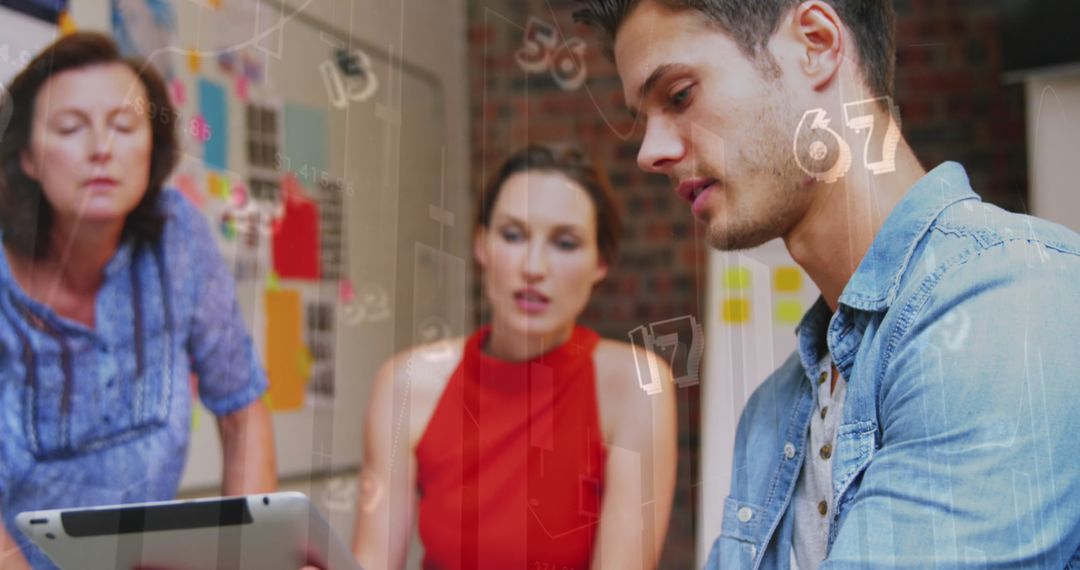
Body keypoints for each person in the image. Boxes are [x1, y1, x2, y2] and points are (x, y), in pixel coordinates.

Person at [573, 0, 1080, 568]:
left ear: (815, 43)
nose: (650, 152)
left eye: (680, 95)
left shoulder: (1009, 302)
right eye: (644, 118)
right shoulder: (773, 411)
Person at [0, 33, 277, 569]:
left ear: (153, 149)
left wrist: (248, 557)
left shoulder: (179, 236)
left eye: (125, 126)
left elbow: (241, 410)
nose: (101, 148)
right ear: (28, 157)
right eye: (70, 128)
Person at [351, 144, 678, 569]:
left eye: (565, 243)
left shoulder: (637, 385)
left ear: (600, 262)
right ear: (481, 244)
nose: (533, 267)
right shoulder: (407, 383)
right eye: (512, 235)